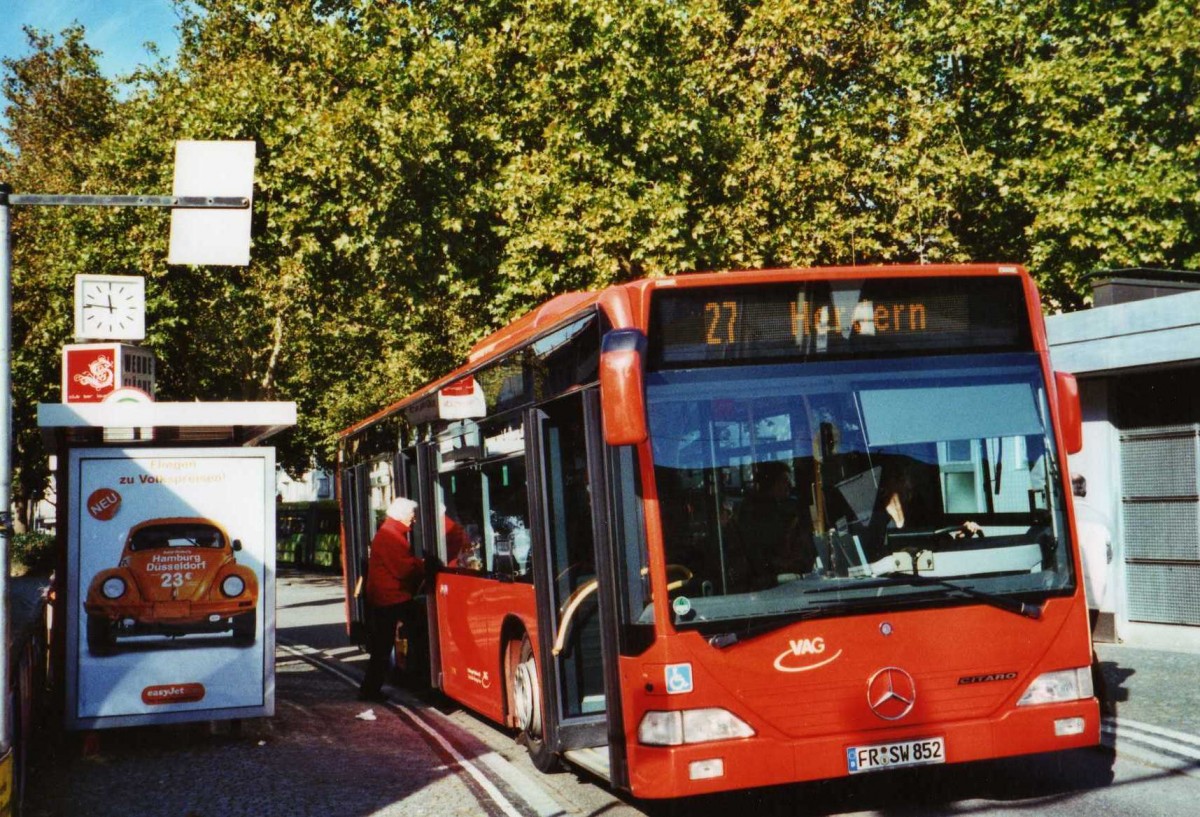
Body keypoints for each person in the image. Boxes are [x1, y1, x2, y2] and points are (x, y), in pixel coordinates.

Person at [359, 497, 424, 702]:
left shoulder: (390, 532)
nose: (414, 520)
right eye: (412, 516)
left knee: (383, 645)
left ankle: (371, 688)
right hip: (391, 597)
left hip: (386, 597)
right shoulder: (392, 536)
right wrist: (422, 565)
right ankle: (371, 690)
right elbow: (403, 569)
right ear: (402, 516)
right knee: (416, 630)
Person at [734, 461, 816, 586]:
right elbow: (764, 554)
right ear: (771, 483)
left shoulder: (786, 508)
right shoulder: (759, 513)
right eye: (784, 480)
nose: (790, 485)